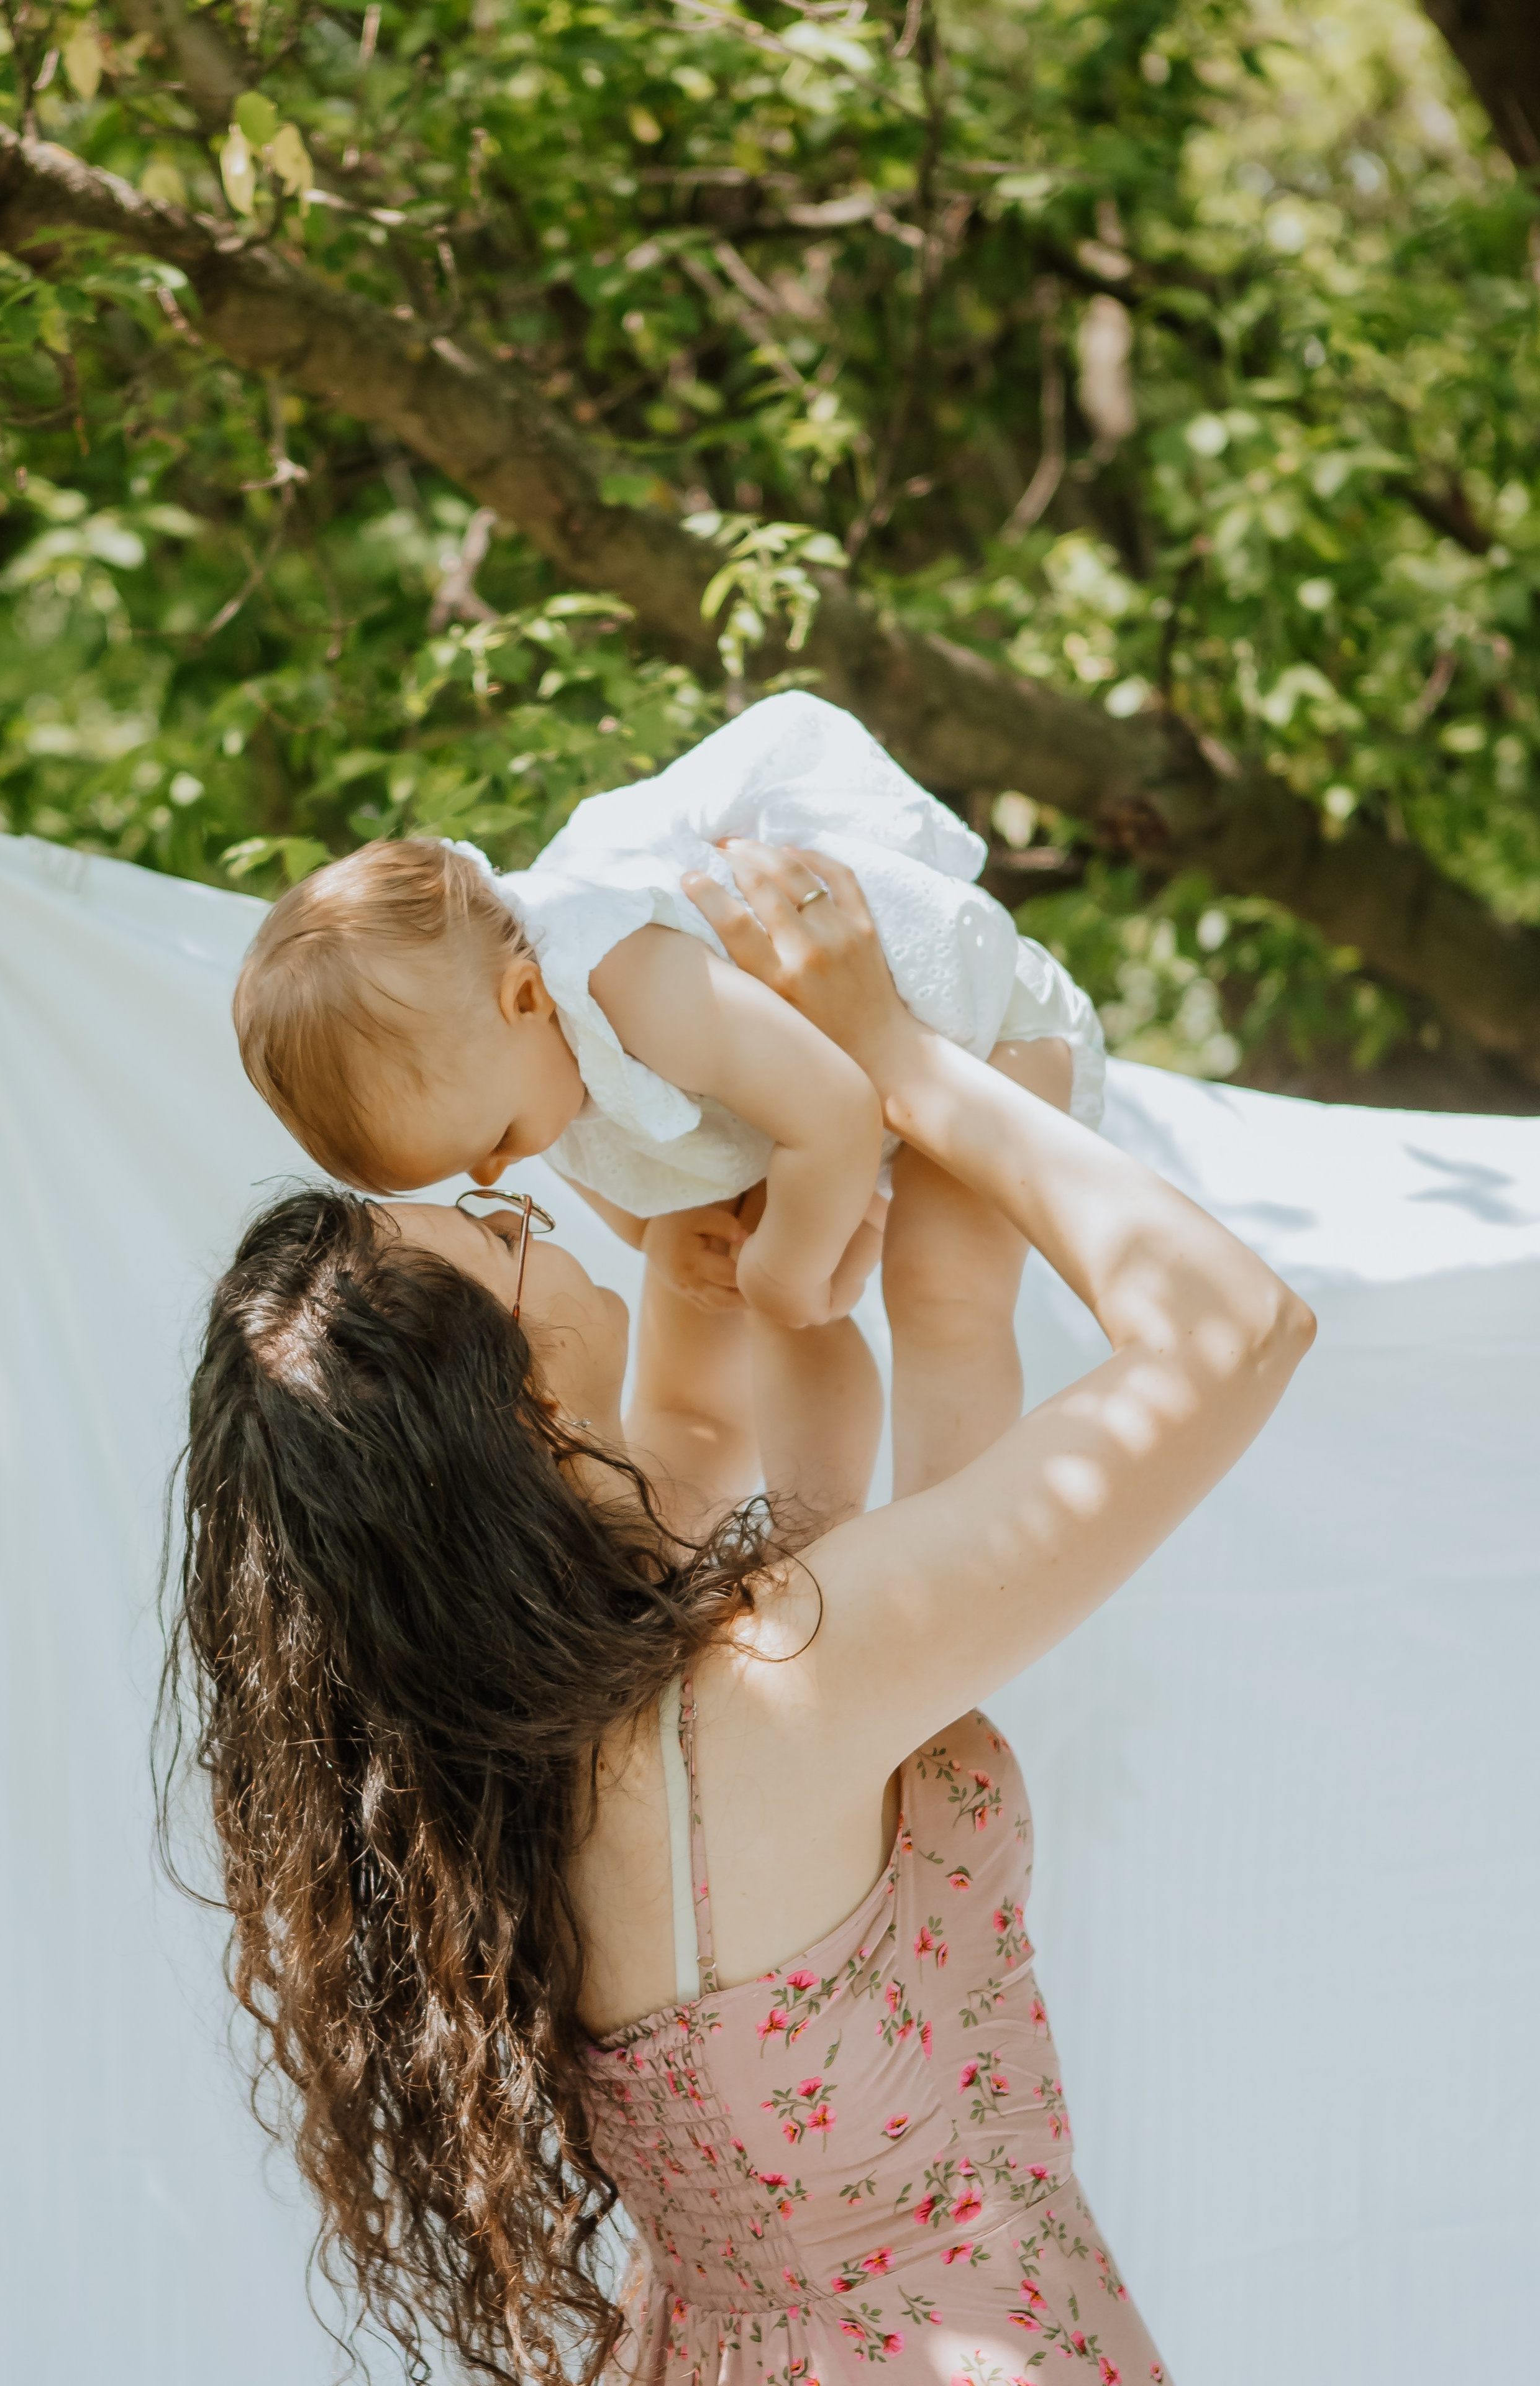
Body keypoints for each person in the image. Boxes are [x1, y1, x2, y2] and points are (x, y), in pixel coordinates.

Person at [166, 842, 1313, 2385]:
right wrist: (901, 1061)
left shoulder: (484, 1788)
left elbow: (684, 1443)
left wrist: (721, 1210)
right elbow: (1235, 1327)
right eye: (500, 1242)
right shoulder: (776, 1678)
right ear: (514, 1433)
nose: (532, 1218)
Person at [230, 692, 1104, 1528]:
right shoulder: (516, 1058)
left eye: (492, 1143)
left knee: (938, 1283)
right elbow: (649, 1166)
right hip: (814, 1112)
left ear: (530, 998)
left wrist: (786, 1271)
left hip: (982, 1040)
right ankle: (792, 1542)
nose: (499, 1173)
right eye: (469, 1167)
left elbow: (833, 1109)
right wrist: (665, 1239)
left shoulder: (622, 968)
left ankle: (941, 1552)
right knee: (728, 1303)